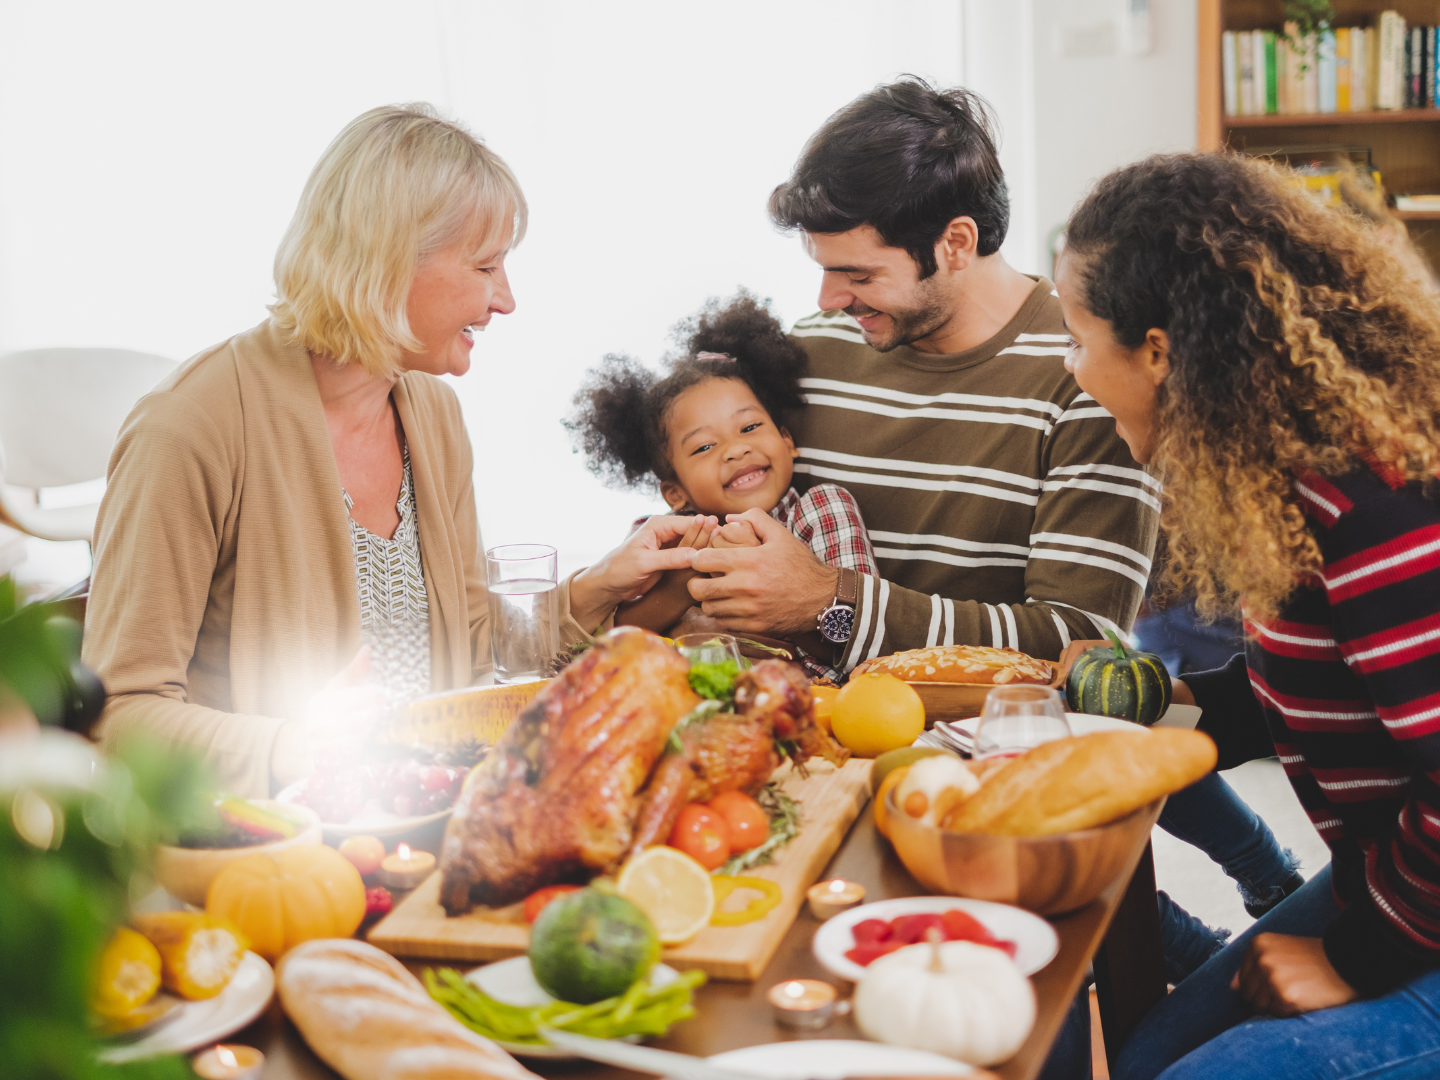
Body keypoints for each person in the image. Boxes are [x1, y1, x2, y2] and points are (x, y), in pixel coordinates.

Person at [82, 104, 700, 798]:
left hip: (430, 807)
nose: (507, 300)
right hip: (277, 845)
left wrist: (602, 586)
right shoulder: (188, 430)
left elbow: (468, 645)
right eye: (486, 266)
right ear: (389, 260)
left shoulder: (431, 412)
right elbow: (120, 712)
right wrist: (295, 749)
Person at [1057, 150, 1440, 1079]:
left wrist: (1353, 961)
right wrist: (1174, 706)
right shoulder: (1300, 473)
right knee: (1145, 1056)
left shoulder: (1375, 504)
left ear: (1158, 352)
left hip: (1415, 910)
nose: (1073, 372)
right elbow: (1335, 681)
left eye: (1076, 339)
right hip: (1392, 874)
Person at [685, 78, 1158, 678]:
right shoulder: (808, 352)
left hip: (998, 753)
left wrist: (832, 601)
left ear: (956, 242)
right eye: (825, 270)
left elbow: (1081, 641)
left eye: (857, 274)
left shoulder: (1087, 376)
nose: (829, 300)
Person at [567, 293, 878, 681]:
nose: (736, 449)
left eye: (749, 427)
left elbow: (861, 629)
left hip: (812, 704)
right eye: (705, 447)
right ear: (675, 493)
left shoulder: (821, 510)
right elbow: (611, 650)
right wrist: (680, 587)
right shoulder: (658, 540)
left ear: (786, 441)